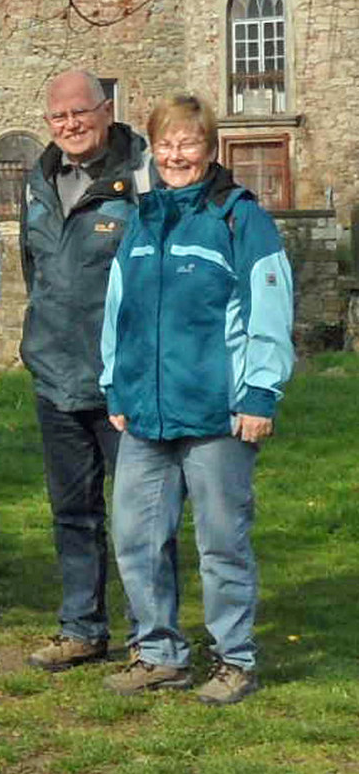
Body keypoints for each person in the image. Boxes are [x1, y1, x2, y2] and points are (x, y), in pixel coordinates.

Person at [100, 94, 293, 705]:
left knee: (222, 542)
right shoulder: (143, 218)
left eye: (188, 143)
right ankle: (158, 653)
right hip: (146, 414)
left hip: (218, 415)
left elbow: (271, 309)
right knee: (134, 537)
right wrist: (116, 382)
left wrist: (260, 393)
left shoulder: (240, 218)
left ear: (209, 150)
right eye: (166, 143)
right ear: (152, 150)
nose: (176, 154)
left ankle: (234, 658)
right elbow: (117, 308)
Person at [19, 72, 152, 671]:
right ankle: (82, 628)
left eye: (81, 113)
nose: (71, 125)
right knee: (73, 512)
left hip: (125, 379)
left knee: (139, 515)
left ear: (106, 110)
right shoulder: (37, 180)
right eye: (59, 116)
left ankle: (152, 637)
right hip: (55, 376)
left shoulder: (144, 178)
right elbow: (36, 273)